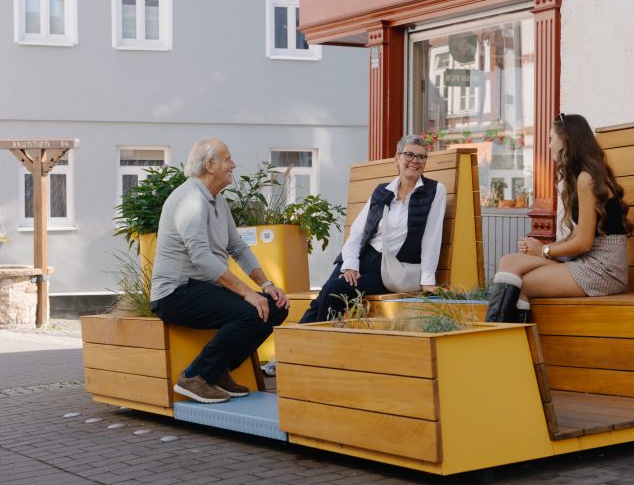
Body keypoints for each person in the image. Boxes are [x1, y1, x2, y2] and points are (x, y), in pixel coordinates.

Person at [150, 138, 289, 404]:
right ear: (210, 165)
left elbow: (238, 247)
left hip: (203, 289)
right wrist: (249, 293)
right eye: (228, 159)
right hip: (175, 293)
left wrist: (267, 285)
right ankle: (195, 376)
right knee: (251, 311)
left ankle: (218, 371)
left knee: (275, 307)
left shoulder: (217, 201)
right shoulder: (191, 200)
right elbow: (201, 257)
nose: (233, 165)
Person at [485, 114, 634, 322]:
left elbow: (583, 242)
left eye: (550, 139)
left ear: (566, 141)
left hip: (604, 269)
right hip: (586, 261)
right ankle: (497, 338)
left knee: (520, 284)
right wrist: (545, 249)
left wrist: (544, 250)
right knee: (508, 262)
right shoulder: (581, 176)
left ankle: (497, 340)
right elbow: (579, 236)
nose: (548, 146)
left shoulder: (586, 179)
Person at [299, 134, 447, 324]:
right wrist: (351, 264)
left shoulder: (434, 191)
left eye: (421, 157)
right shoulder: (383, 190)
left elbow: (431, 238)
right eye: (409, 154)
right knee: (323, 297)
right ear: (397, 158)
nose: (415, 161)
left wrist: (428, 281)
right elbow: (358, 231)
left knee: (334, 289)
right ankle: (292, 348)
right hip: (361, 258)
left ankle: (320, 345)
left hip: (389, 270)